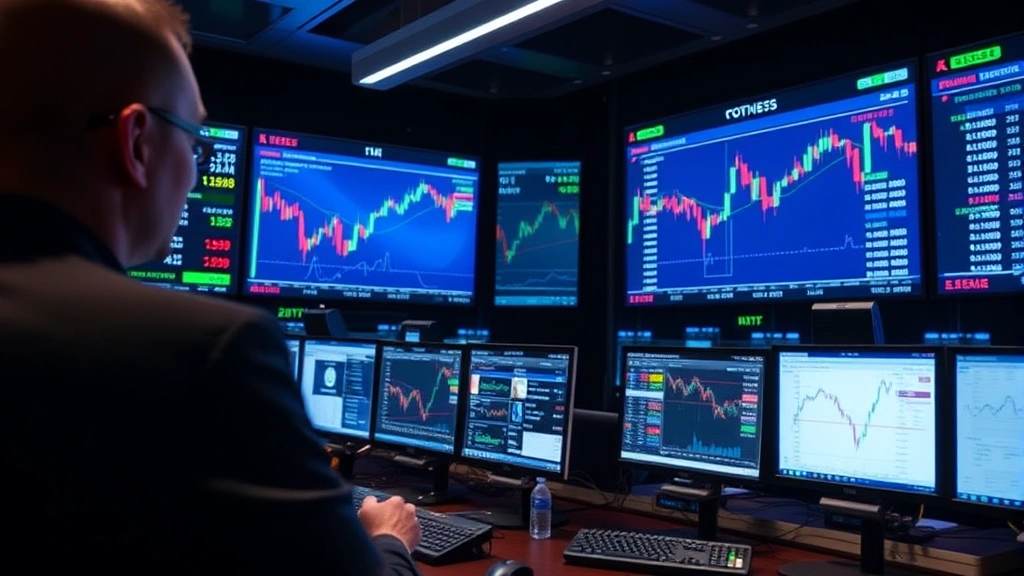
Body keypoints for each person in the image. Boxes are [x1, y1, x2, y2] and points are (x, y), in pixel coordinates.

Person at [0, 1, 420, 573]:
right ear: (137, 142)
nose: (198, 169)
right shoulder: (208, 350)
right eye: (196, 140)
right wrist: (390, 540)